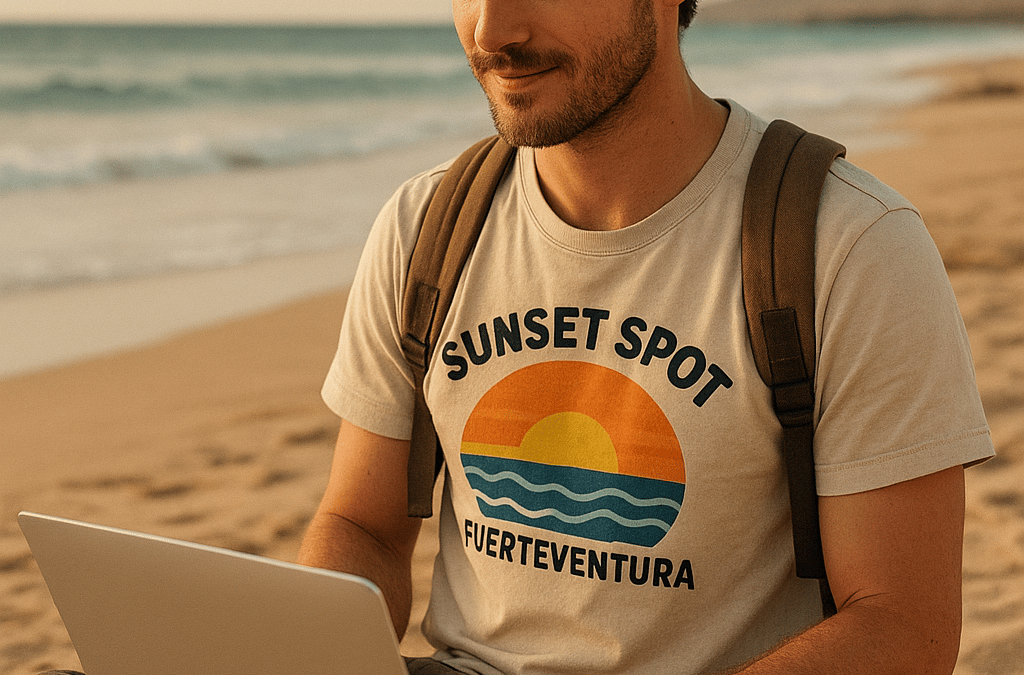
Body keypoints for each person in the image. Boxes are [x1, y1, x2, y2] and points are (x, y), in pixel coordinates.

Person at [299, 1, 994, 674]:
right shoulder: (427, 226)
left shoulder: (846, 246)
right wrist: (313, 650)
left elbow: (901, 627)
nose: (492, 30)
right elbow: (362, 525)